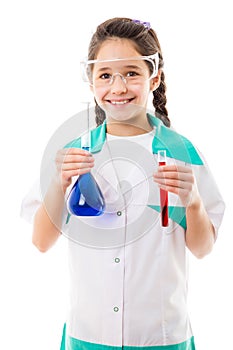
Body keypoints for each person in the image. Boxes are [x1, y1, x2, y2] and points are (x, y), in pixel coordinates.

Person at [21, 17, 225, 350]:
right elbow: (42, 241)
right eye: (105, 76)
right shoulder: (72, 153)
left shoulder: (182, 152)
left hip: (161, 337)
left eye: (131, 73)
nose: (118, 88)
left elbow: (202, 249)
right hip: (88, 335)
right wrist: (59, 184)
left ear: (153, 77)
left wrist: (195, 201)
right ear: (91, 84)